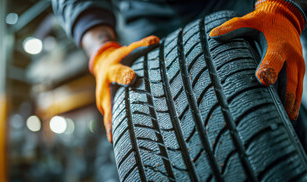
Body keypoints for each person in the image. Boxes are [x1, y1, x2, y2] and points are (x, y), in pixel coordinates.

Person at [52, 0, 307, 143]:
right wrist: (102, 50)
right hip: (144, 22)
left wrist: (283, 9)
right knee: (152, 130)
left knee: (270, 97)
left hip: (236, 4)